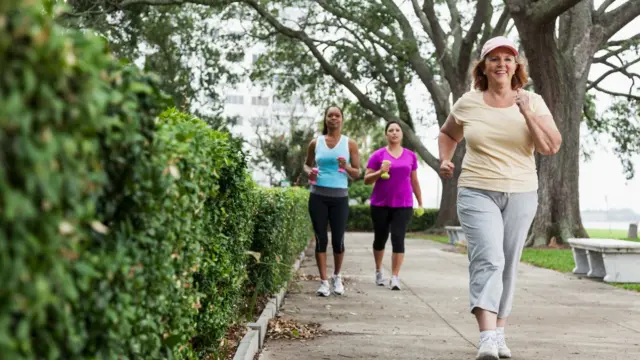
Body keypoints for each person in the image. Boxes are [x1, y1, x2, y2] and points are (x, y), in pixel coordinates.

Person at [438, 36, 562, 360]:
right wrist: (445, 159)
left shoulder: (532, 102)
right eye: (494, 58)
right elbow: (448, 133)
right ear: (484, 66)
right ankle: (486, 336)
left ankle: (499, 331)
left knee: (508, 264)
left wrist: (526, 113)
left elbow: (551, 146)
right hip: (477, 189)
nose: (502, 64)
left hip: (521, 192)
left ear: (516, 66)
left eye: (508, 58)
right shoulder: (468, 102)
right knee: (489, 258)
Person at [304, 105, 360, 297]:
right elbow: (306, 164)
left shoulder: (349, 144)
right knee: (321, 239)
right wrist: (309, 172)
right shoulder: (315, 142)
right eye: (330, 115)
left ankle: (337, 276)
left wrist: (346, 167)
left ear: (342, 119)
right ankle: (324, 282)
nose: (334, 118)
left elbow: (357, 173)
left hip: (339, 198)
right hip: (317, 197)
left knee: (338, 240)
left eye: (337, 115)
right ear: (326, 119)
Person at [363, 121, 423, 291]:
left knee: (398, 239)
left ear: (402, 134)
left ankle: (395, 276)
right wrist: (379, 172)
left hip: (403, 204)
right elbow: (367, 180)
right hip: (380, 204)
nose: (394, 133)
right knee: (380, 239)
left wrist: (420, 201)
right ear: (386, 134)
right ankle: (378, 271)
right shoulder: (378, 155)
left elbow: (414, 180)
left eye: (397, 130)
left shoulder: (410, 155)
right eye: (391, 130)